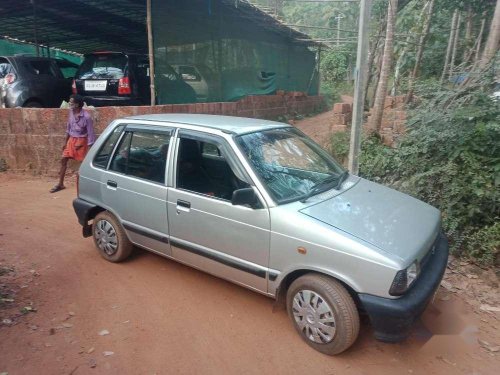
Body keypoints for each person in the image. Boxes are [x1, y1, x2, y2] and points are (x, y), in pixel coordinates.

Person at [50, 94, 95, 193]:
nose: (70, 104)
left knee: (83, 166)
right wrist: (65, 142)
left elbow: (91, 134)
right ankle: (60, 184)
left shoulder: (87, 117)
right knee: (63, 159)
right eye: (69, 102)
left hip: (82, 141)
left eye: (72, 103)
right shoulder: (71, 112)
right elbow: (68, 128)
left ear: (78, 105)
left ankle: (85, 187)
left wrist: (91, 149)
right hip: (71, 140)